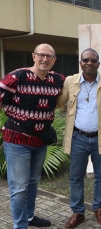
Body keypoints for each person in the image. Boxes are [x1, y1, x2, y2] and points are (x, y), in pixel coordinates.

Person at [0, 43, 65, 229]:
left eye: (49, 56)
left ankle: (28, 217)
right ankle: (20, 225)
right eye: (41, 55)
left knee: (33, 182)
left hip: (40, 141)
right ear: (33, 56)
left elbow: (76, 83)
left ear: (54, 60)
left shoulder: (57, 80)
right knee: (19, 187)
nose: (45, 59)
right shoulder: (16, 77)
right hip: (17, 140)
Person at [56, 48, 101, 228]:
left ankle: (98, 208)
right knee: (75, 177)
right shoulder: (70, 82)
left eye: (93, 60)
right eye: (85, 60)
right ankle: (78, 211)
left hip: (100, 138)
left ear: (98, 63)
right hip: (78, 137)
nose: (89, 63)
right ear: (80, 62)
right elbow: (59, 103)